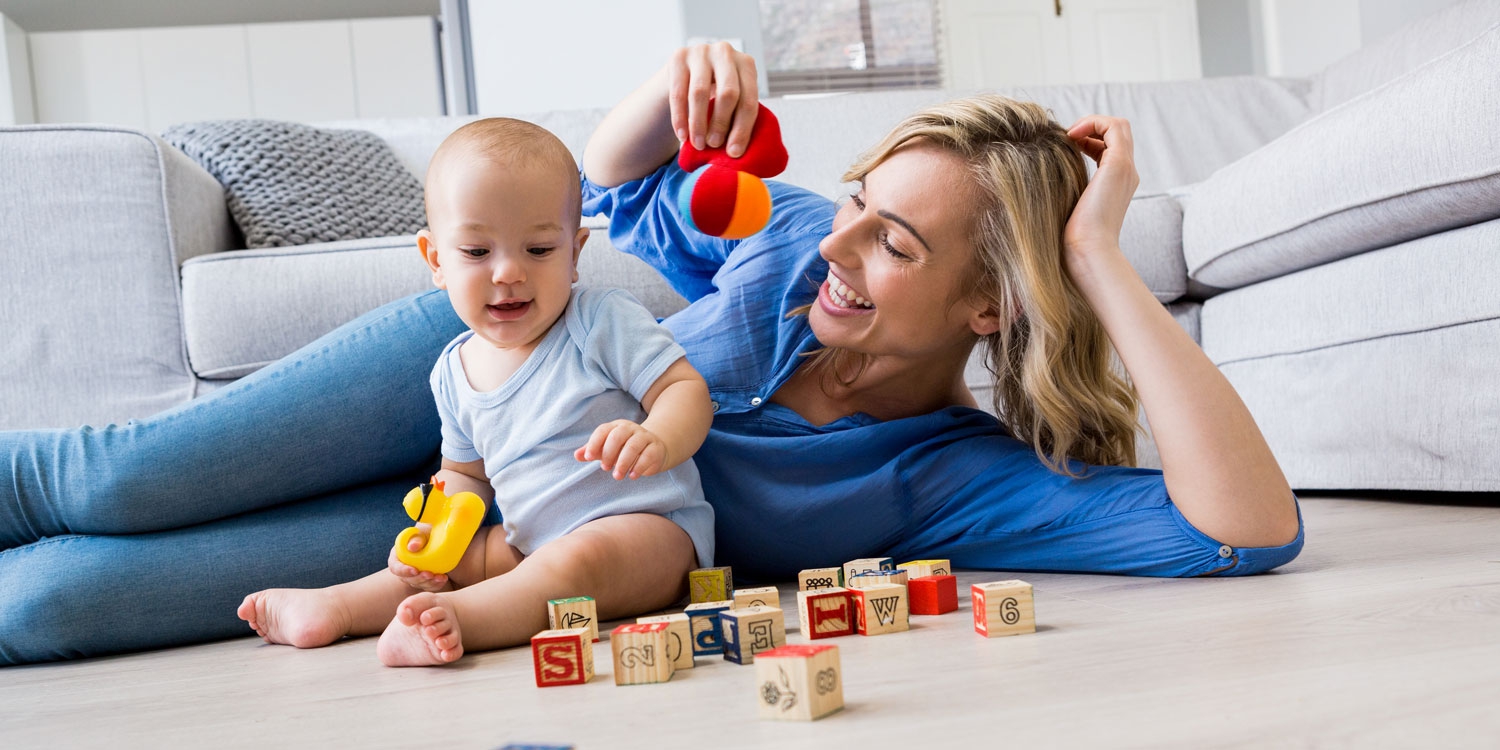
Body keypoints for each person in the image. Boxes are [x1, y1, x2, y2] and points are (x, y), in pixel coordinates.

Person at [0, 44, 1303, 666]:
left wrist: (1096, 261)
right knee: (109, 482)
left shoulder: (948, 476)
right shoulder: (793, 246)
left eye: (895, 242)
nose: (840, 246)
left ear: (988, 307)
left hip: (503, 529)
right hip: (472, 366)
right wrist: (673, 87)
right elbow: (613, 191)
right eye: (856, 201)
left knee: (57, 607)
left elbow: (1247, 530)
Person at [236, 118, 715, 666]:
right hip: (526, 543)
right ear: (436, 260)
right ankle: (337, 607)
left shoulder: (600, 319)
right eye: (476, 252)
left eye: (538, 249)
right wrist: (433, 534)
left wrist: (658, 436)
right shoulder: (451, 371)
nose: (508, 272)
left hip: (650, 536)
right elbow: (467, 476)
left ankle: (465, 620)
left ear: (575, 252)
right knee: (450, 565)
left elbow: (684, 388)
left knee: (573, 562)